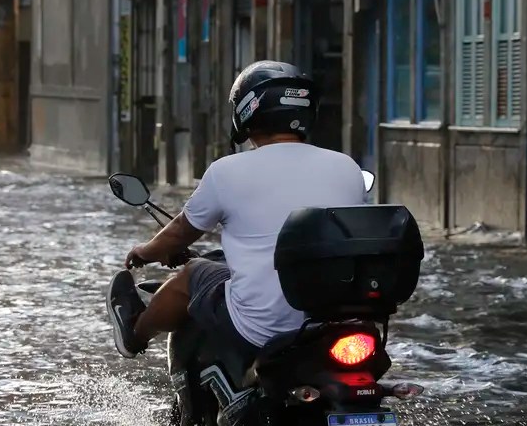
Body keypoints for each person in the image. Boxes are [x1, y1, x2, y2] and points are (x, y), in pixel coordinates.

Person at [106, 60, 367, 360]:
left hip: (259, 328)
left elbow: (180, 232)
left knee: (194, 274)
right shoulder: (346, 167)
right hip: (332, 322)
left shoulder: (227, 171)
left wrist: (144, 252)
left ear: (247, 111)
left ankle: (134, 334)